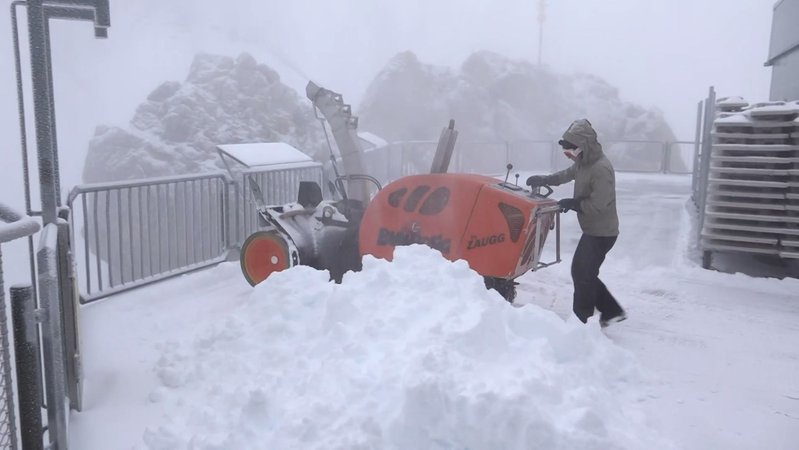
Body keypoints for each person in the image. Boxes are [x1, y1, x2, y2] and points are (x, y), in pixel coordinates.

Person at [526, 119, 626, 327]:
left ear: (583, 146)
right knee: (585, 272)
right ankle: (611, 311)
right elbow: (566, 175)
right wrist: (544, 179)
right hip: (593, 229)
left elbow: (599, 205)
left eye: (571, 150)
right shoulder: (584, 162)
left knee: (582, 273)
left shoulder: (601, 169)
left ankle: (583, 321)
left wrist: (574, 204)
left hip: (602, 232)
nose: (568, 154)